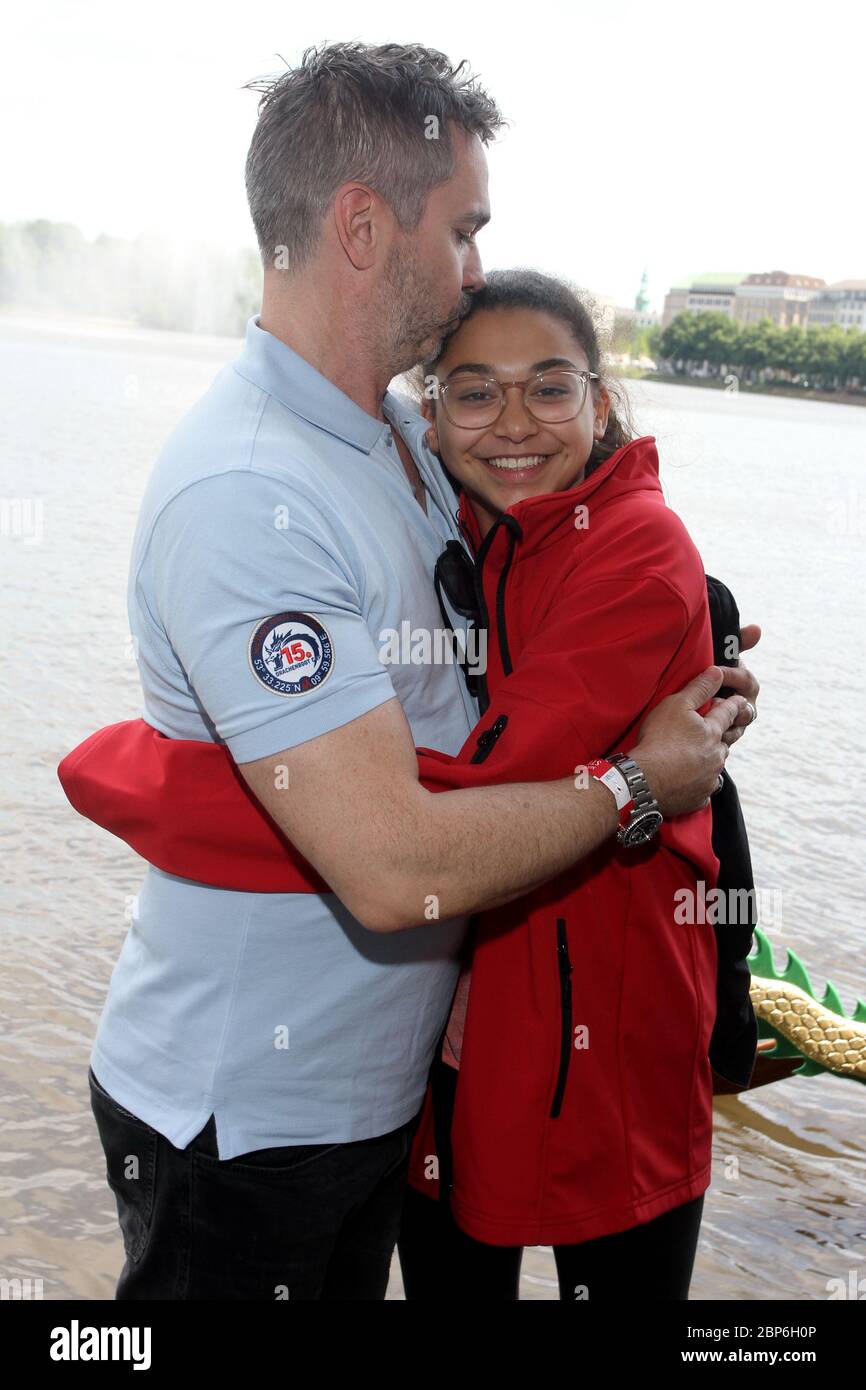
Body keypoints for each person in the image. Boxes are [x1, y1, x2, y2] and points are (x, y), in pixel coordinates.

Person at [59, 42, 755, 1301]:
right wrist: (636, 781)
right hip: (246, 1125)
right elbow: (392, 872)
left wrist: (689, 624)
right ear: (366, 227)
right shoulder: (249, 491)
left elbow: (524, 596)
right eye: (464, 230)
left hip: (370, 1101)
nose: (479, 268)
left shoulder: (390, 432)